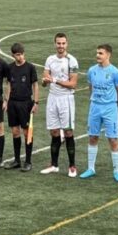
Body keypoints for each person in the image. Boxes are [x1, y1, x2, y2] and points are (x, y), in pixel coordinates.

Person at [80, 44, 118, 181]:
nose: (97, 55)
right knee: (93, 137)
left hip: (110, 108)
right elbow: (91, 88)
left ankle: (116, 171)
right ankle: (91, 168)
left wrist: (114, 105)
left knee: (113, 139)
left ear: (108, 55)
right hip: (95, 107)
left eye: (101, 53)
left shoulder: (115, 72)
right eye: (97, 53)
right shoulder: (91, 70)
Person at [40, 32, 79, 177]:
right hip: (52, 98)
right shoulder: (50, 59)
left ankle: (72, 166)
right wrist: (45, 81)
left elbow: (73, 84)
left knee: (68, 131)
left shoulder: (72, 61)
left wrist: (54, 81)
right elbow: (44, 80)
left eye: (63, 43)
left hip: (66, 99)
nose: (61, 46)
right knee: (54, 131)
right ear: (54, 44)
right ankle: (54, 165)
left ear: (67, 44)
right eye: (58, 43)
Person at [3, 42, 39, 171]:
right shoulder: (10, 67)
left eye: (21, 54)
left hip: (25, 103)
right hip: (12, 103)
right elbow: (8, 85)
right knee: (15, 131)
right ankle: (17, 160)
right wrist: (6, 100)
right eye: (17, 55)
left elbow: (35, 85)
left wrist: (36, 102)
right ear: (13, 55)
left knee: (26, 131)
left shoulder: (30, 67)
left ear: (24, 53)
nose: (20, 57)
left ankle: (28, 161)